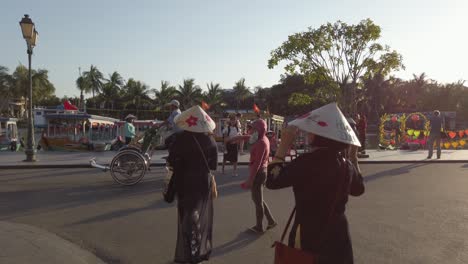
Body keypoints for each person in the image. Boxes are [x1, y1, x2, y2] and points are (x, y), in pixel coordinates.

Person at [266, 103, 365, 263]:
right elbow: (358, 189)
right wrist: (353, 157)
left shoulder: (306, 162)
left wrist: (283, 145)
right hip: (338, 234)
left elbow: (272, 181)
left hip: (308, 232)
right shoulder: (346, 164)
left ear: (321, 136)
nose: (308, 134)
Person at [166, 105, 218, 264]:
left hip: (185, 182)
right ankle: (198, 250)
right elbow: (213, 166)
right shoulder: (210, 140)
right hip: (203, 183)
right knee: (199, 215)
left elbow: (172, 160)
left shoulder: (179, 139)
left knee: (186, 216)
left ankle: (188, 253)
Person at [240, 119, 277, 233]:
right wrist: (236, 138)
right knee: (258, 199)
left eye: (254, 128)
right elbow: (249, 137)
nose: (252, 131)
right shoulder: (261, 138)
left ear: (260, 130)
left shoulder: (261, 142)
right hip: (261, 172)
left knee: (257, 201)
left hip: (258, 173)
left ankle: (259, 227)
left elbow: (257, 164)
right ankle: (271, 221)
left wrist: (250, 179)